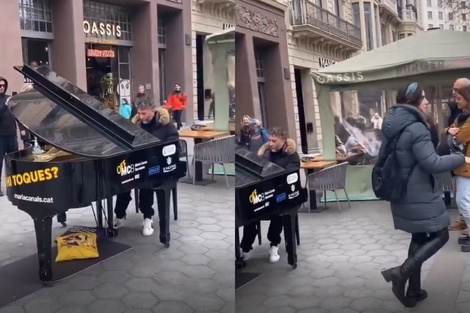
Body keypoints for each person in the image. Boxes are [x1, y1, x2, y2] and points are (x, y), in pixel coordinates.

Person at [379, 82, 464, 308]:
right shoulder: (416, 127)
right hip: (419, 192)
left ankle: (414, 290)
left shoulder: (393, 124)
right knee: (441, 235)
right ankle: (401, 273)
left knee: (418, 237)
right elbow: (432, 163)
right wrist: (461, 159)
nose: (427, 101)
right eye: (423, 98)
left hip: (402, 191)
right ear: (414, 101)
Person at [113, 96, 179, 237]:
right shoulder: (137, 125)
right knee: (122, 179)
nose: (141, 116)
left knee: (147, 181)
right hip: (139, 163)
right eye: (139, 113)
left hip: (159, 166)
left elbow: (173, 144)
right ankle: (119, 215)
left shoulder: (166, 126)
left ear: (153, 110)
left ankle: (148, 217)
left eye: (144, 113)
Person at [240, 127, 300, 263]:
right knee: (250, 210)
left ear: (283, 141)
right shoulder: (266, 153)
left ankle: (274, 244)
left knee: (278, 210)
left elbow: (289, 175)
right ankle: (245, 247)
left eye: (274, 141)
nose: (271, 143)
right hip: (265, 191)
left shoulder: (292, 156)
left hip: (285, 194)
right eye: (270, 140)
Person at [448, 78, 470, 246]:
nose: (455, 98)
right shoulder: (462, 116)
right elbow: (448, 131)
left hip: (467, 167)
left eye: (458, 95)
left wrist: (452, 134)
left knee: (463, 200)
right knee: (463, 200)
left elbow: (458, 137)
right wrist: (449, 131)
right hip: (462, 166)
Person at [0, 77, 19, 196]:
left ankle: (16, 184)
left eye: (3, 85)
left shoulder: (8, 98)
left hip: (11, 135)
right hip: (0, 136)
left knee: (14, 161)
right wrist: (4, 106)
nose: (2, 87)